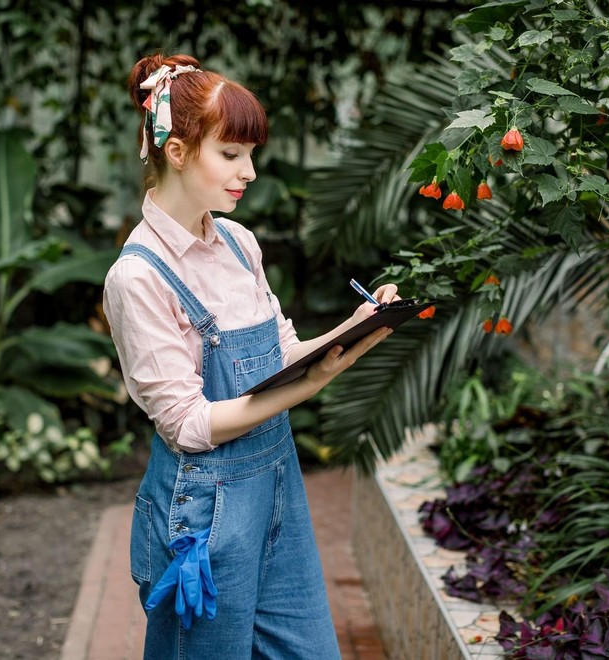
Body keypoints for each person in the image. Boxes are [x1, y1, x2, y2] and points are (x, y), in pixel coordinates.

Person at [101, 52, 399, 659]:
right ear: (178, 152)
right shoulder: (137, 278)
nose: (250, 172)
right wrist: (307, 387)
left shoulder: (239, 243)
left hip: (277, 491)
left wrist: (355, 327)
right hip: (203, 518)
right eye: (231, 154)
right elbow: (186, 426)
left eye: (250, 154)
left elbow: (283, 353)